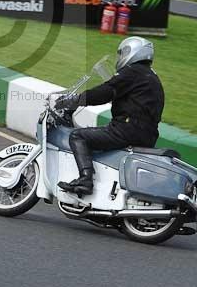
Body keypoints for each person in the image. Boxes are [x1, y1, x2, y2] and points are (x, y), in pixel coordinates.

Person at [55, 37, 164, 195]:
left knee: (78, 136)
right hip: (146, 134)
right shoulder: (151, 76)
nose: (119, 58)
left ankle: (85, 180)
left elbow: (105, 92)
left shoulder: (132, 72)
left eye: (122, 53)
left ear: (133, 52)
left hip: (127, 130)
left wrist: (77, 100)